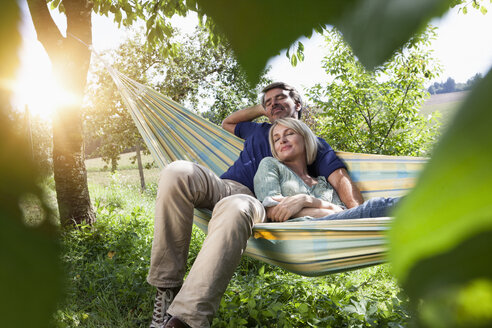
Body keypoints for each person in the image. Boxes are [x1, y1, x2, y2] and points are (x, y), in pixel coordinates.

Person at [148, 82, 363, 328]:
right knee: (177, 172)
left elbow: (339, 178)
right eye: (268, 101)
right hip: (226, 185)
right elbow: (228, 123)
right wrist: (263, 109)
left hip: (257, 201)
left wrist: (358, 214)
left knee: (236, 206)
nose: (273, 104)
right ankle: (166, 288)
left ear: (298, 104)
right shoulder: (257, 130)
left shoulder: (310, 141)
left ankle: (186, 321)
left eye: (281, 98)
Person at [254, 118, 398, 222]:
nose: (282, 140)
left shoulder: (323, 182)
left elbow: (343, 212)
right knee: (376, 207)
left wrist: (305, 200)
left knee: (376, 209)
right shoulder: (270, 164)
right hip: (301, 233)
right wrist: (323, 207)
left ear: (305, 139)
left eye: (289, 133)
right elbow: (273, 211)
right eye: (276, 139)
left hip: (337, 229)